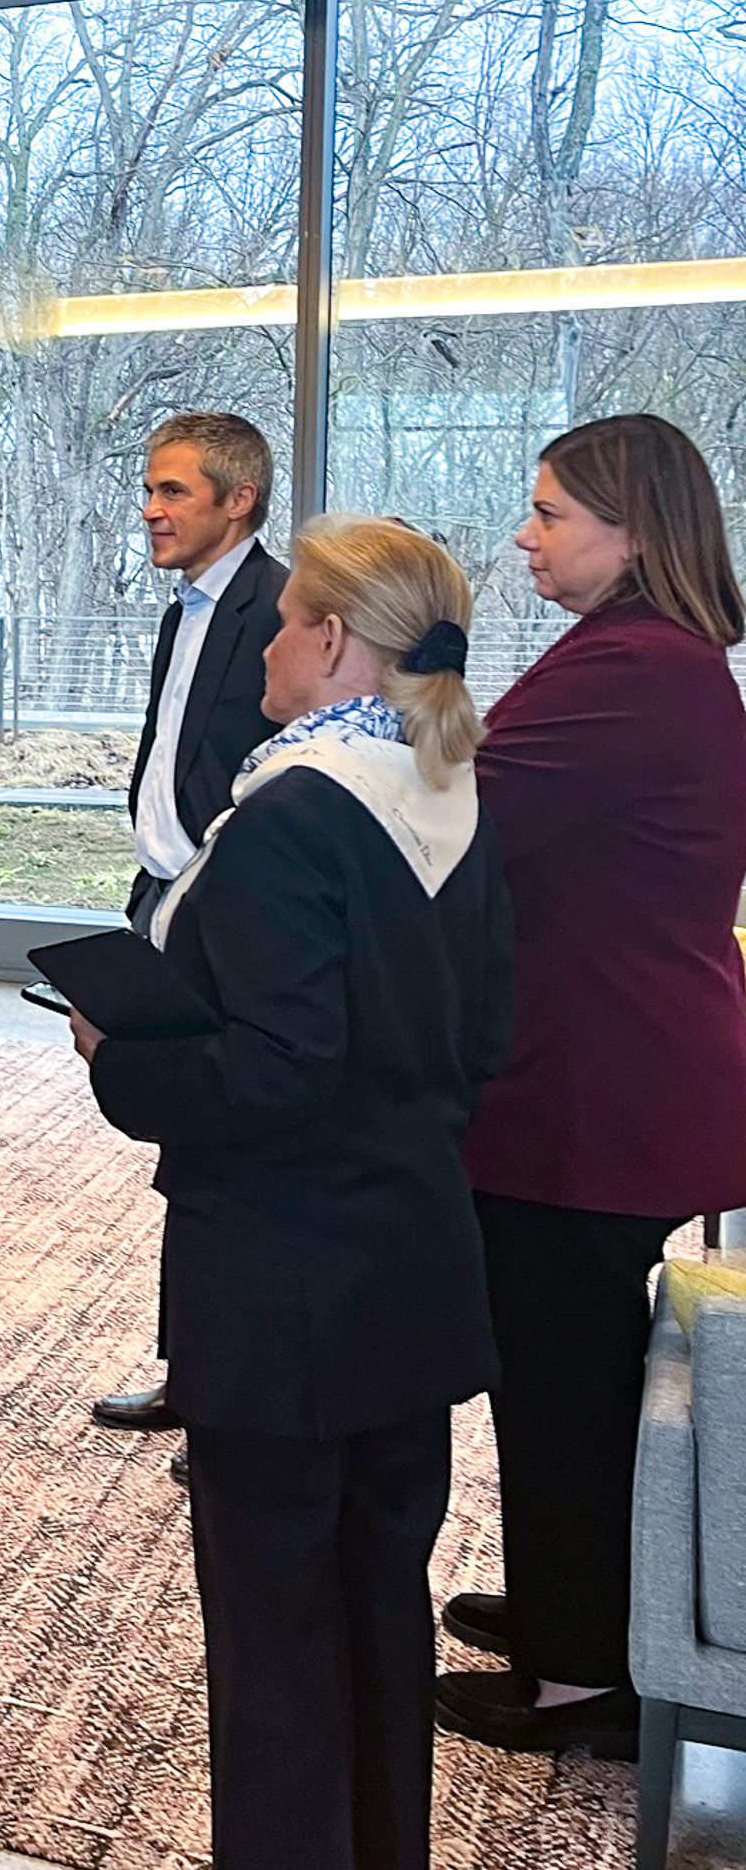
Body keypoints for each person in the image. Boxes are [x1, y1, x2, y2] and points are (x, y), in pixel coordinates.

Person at [72, 515, 511, 1870]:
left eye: (282, 622)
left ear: (330, 641)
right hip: (413, 1264)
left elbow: (270, 1069)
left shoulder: (294, 814)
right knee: (378, 1607)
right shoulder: (453, 791)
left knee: (272, 1639)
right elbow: (486, 1035)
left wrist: (122, 1056)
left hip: (279, 1285)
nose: (265, 638)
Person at [435, 414, 746, 1762]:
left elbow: (465, 816)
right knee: (573, 1365)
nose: (526, 534)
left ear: (633, 529)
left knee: (557, 1375)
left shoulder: (638, 666)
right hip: (608, 1065)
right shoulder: (648, 660)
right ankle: (589, 1608)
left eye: (553, 511)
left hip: (592, 1083)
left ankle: (582, 1681)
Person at [93, 412, 289, 1455]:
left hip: (234, 910)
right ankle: (190, 1370)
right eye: (149, 488)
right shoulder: (185, 607)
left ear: (236, 499)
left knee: (223, 1152)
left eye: (171, 491)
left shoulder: (280, 606)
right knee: (186, 1152)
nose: (149, 508)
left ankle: (222, 1389)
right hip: (166, 894)